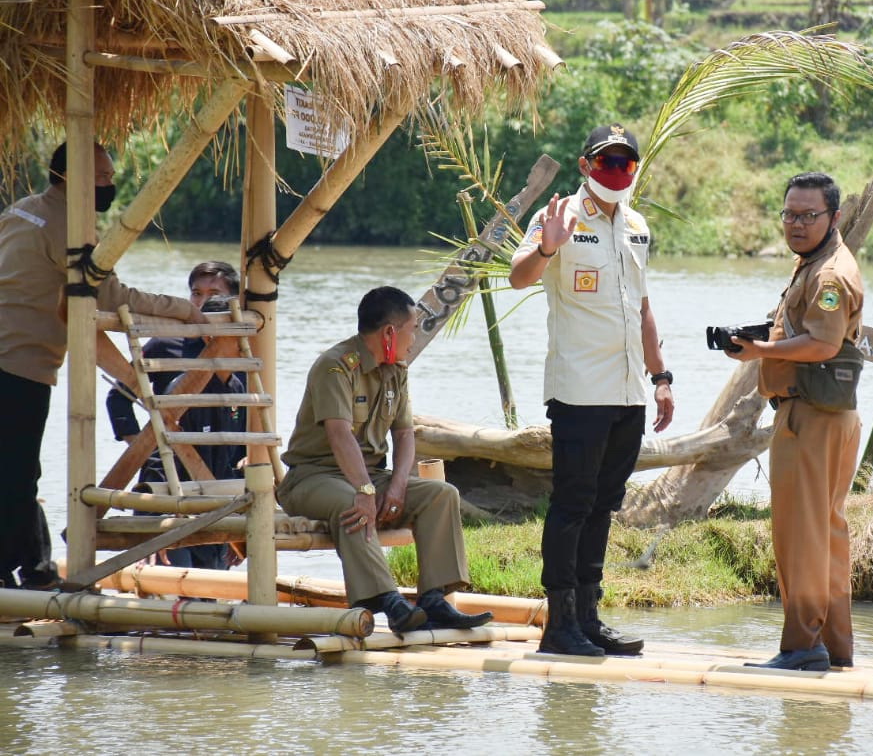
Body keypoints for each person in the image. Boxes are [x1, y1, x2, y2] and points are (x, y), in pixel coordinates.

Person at [0, 141, 206, 590]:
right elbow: (109, 296)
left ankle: (31, 566)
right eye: (103, 179)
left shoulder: (21, 210)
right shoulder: (71, 225)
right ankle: (27, 571)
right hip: (21, 361)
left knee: (11, 467)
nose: (110, 185)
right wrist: (182, 309)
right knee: (17, 471)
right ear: (72, 178)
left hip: (14, 349)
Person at [509, 124, 675, 657]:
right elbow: (518, 276)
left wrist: (661, 377)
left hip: (629, 393)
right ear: (585, 165)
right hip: (580, 391)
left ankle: (589, 618)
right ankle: (559, 626)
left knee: (604, 505)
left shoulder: (638, 226)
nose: (616, 172)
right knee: (572, 505)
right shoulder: (556, 218)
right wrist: (546, 251)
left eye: (626, 164)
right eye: (606, 162)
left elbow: (642, 308)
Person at [278, 286, 492, 635]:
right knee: (353, 503)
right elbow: (339, 433)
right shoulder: (334, 366)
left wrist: (398, 484)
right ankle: (388, 602)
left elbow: (405, 434)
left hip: (371, 476)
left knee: (441, 494)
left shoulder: (396, 370)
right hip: (313, 478)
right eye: (411, 329)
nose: (413, 339)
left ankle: (434, 600)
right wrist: (365, 490)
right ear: (390, 332)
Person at [723, 171, 864, 672]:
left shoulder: (829, 274)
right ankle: (834, 647)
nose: (797, 224)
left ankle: (803, 647)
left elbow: (824, 344)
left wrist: (760, 349)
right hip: (823, 415)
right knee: (825, 531)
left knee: (801, 534)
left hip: (811, 417)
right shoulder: (815, 264)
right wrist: (766, 336)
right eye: (789, 214)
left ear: (834, 217)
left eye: (809, 216)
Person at [111, 293, 248, 570]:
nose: (246, 345)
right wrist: (154, 524)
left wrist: (240, 531)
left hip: (216, 505)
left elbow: (239, 456)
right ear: (212, 339)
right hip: (170, 501)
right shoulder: (180, 386)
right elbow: (159, 459)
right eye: (238, 337)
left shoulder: (238, 388)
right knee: (174, 587)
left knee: (208, 598)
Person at [106, 260, 240, 445]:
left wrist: (251, 455)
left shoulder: (242, 351)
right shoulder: (165, 344)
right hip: (171, 460)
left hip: (228, 465)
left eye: (214, 294)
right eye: (196, 293)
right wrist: (141, 450)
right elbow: (119, 397)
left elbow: (248, 414)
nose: (201, 302)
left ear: (233, 300)